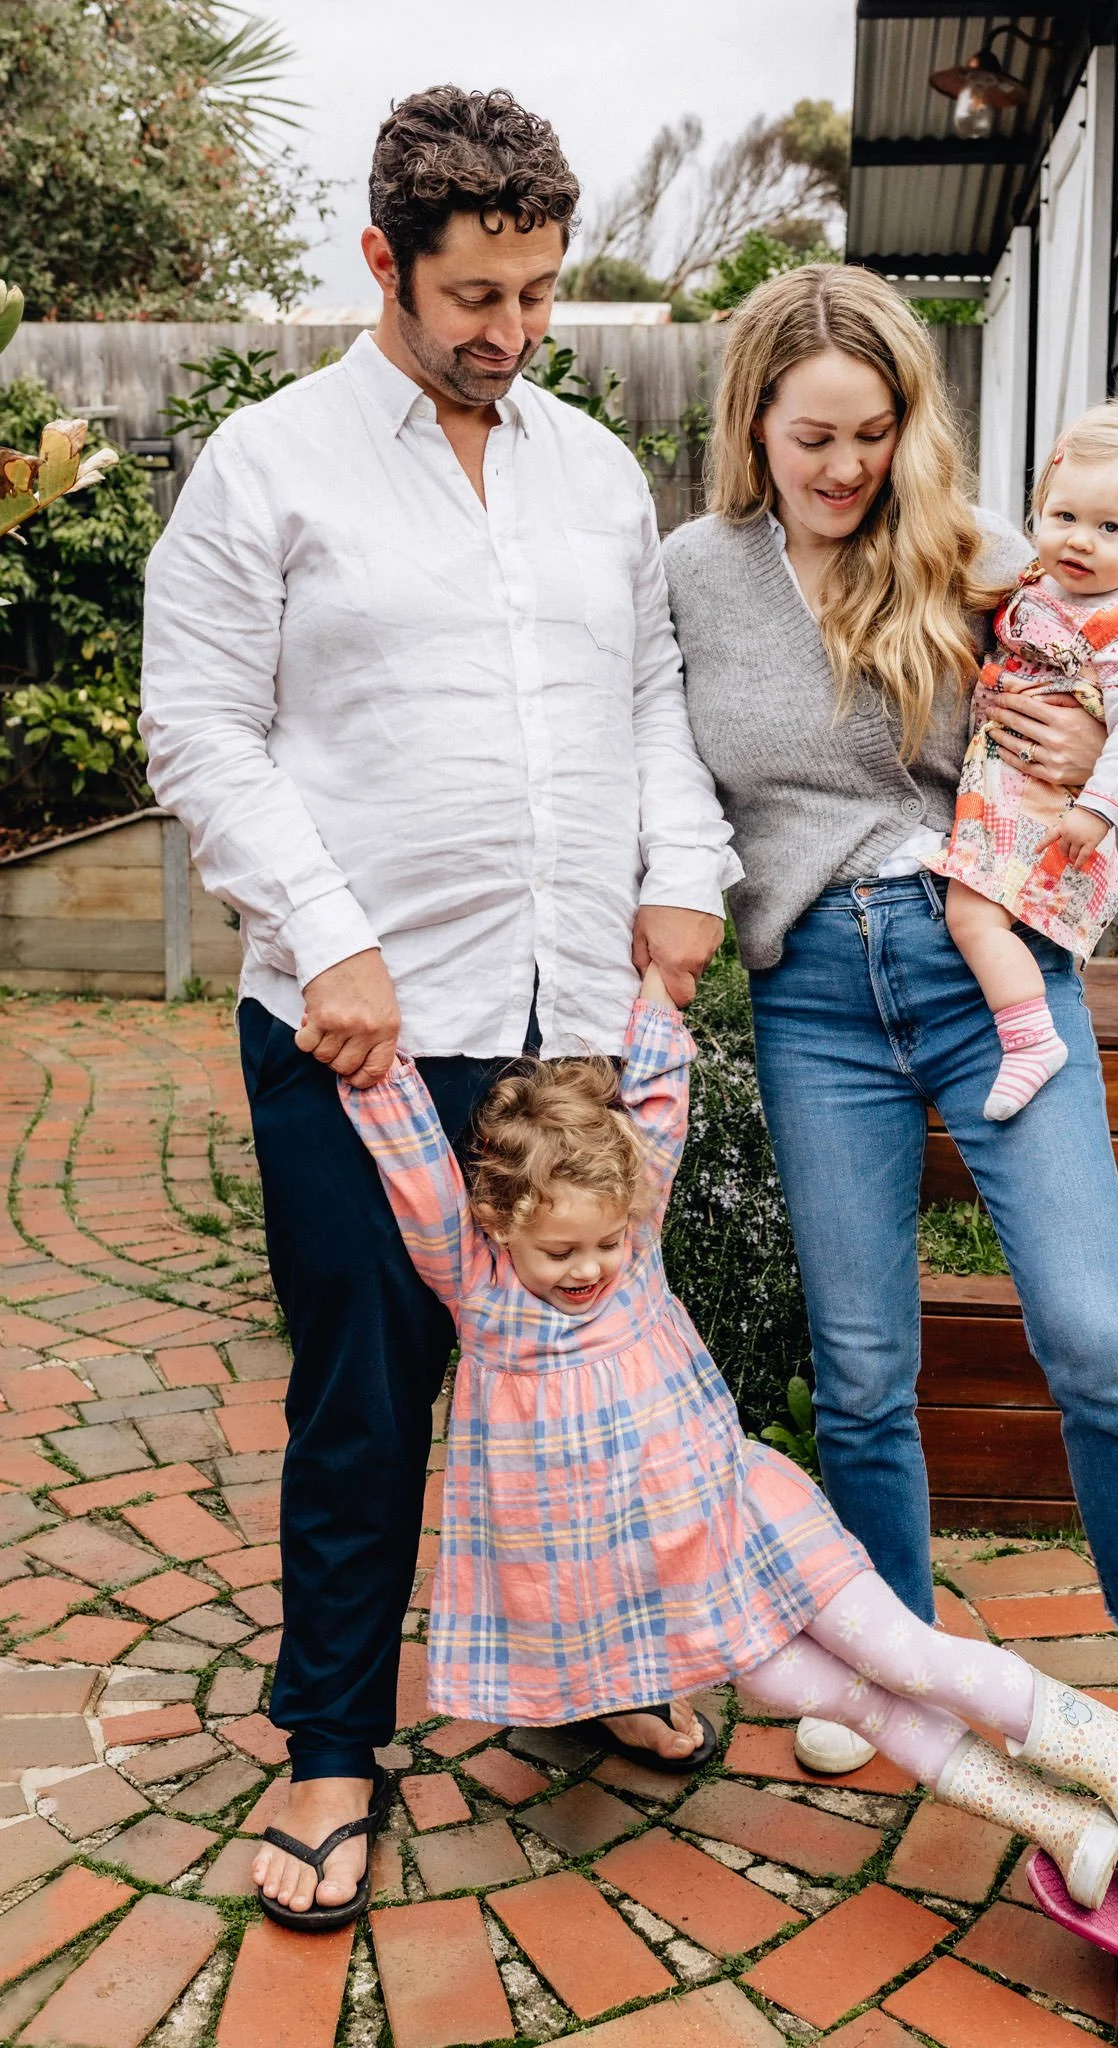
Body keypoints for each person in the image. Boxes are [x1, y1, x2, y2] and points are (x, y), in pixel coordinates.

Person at [139, 85, 739, 1928]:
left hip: (572, 1012)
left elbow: (648, 700)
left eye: (542, 291)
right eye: (479, 293)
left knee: (589, 1380)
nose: (515, 329)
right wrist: (322, 929)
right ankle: (333, 1740)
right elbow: (197, 723)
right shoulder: (269, 462)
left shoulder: (591, 469)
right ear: (384, 260)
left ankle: (603, 1658)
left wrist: (681, 873)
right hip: (360, 1023)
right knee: (366, 1395)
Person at [662, 263, 1118, 1817]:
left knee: (1095, 1332)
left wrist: (1093, 744)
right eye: (812, 434)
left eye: (874, 433)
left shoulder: (980, 556)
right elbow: (660, 764)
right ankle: (898, 1663)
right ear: (751, 418)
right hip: (813, 991)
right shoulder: (692, 569)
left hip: (991, 965)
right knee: (867, 1362)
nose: (843, 468)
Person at [343, 960, 1118, 1920]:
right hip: (665, 1575)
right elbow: (414, 1168)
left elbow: (660, 1097)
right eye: (561, 1251)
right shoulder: (480, 1289)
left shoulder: (637, 1246)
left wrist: (658, 989)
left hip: (741, 1514)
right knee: (842, 1702)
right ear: (498, 1222)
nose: (589, 1267)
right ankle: (1057, 1821)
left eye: (606, 1242)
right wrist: (371, 1065)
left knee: (900, 1654)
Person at [928, 400, 1118, 1121]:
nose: (1079, 541)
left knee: (971, 917)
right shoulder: (1034, 591)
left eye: (1110, 527)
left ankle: (1029, 1041)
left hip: (1051, 812)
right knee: (982, 918)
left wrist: (1097, 807)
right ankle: (1023, 1033)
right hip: (998, 794)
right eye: (1063, 516)